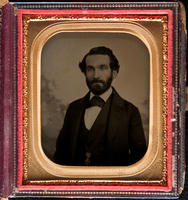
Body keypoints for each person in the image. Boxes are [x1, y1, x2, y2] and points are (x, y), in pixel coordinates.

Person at [54, 46, 147, 166]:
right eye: (90, 69)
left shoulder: (130, 112)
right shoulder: (73, 108)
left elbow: (139, 162)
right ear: (84, 73)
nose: (96, 75)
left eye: (102, 68)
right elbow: (60, 157)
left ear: (114, 73)